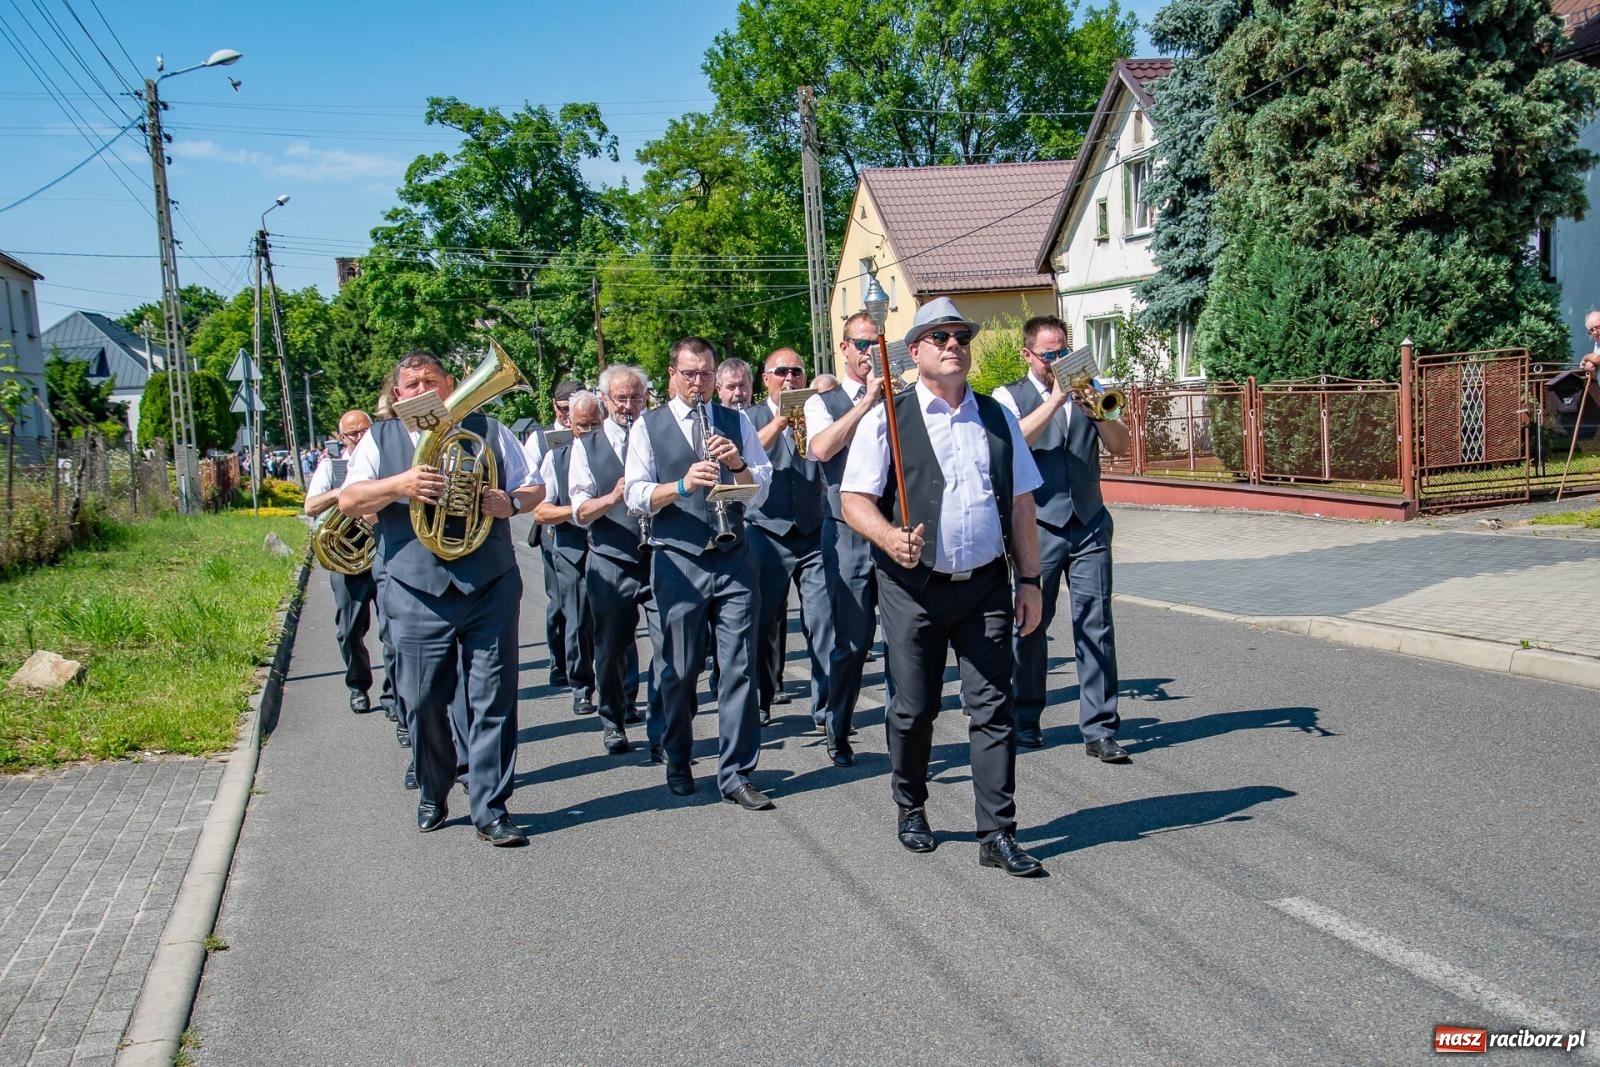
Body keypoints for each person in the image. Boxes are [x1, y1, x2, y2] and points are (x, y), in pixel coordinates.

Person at [840, 297, 1047, 877]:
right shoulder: (889, 416)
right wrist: (889, 537)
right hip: (913, 587)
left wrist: (1029, 580)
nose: (954, 345)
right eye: (940, 337)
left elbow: (1021, 504)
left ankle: (997, 832)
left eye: (961, 336)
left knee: (994, 708)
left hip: (985, 584)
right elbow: (854, 499)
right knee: (914, 708)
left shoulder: (997, 417)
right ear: (915, 351)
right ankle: (911, 804)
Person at [339, 351, 545, 846]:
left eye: (430, 381)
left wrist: (510, 502)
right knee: (422, 698)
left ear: (450, 383)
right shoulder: (381, 437)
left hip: (489, 582)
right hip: (416, 589)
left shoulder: (489, 429)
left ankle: (491, 808)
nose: (422, 391)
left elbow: (535, 487)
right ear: (397, 395)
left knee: (493, 697)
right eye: (411, 385)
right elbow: (349, 500)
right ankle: (434, 788)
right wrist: (401, 484)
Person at [625, 337, 774, 809]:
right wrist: (681, 484)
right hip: (678, 559)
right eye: (689, 374)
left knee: (739, 668)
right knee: (680, 668)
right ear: (672, 374)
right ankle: (677, 755)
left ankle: (736, 773)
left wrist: (737, 464)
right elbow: (635, 494)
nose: (698, 383)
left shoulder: (736, 420)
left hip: (733, 557)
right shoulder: (649, 425)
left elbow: (761, 489)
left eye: (706, 374)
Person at [995, 317, 1133, 759]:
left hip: (1089, 521)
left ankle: (1100, 728)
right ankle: (1026, 717)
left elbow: (1120, 446)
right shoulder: (1008, 396)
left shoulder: (1091, 389)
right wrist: (1057, 398)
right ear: (1028, 354)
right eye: (1049, 355)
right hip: (1038, 525)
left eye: (1063, 352)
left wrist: (1098, 412)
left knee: (1096, 623)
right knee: (1031, 623)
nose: (1057, 362)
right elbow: (1013, 442)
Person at [805, 311, 891, 752]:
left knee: (903, 641)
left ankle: (904, 737)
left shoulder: (899, 393)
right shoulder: (823, 401)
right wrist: (867, 401)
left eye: (876, 343)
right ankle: (838, 727)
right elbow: (821, 448)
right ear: (843, 348)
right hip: (846, 532)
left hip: (891, 527)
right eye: (861, 344)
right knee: (853, 642)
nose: (869, 352)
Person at [569, 365, 666, 756]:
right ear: (605, 400)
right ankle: (612, 719)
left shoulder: (657, 433)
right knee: (611, 648)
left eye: (636, 397)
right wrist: (612, 497)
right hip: (611, 559)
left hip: (658, 554)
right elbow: (580, 510)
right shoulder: (586, 446)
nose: (629, 406)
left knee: (669, 643)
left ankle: (662, 726)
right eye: (621, 398)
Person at [746, 347, 835, 751]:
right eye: (781, 372)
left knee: (823, 621)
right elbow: (745, 456)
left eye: (797, 372)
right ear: (765, 378)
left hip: (812, 532)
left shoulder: (816, 412)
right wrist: (781, 419)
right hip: (766, 532)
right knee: (763, 623)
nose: (789, 379)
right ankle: (762, 696)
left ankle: (827, 710)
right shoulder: (748, 418)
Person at [302, 410, 381, 715]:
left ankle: (393, 698)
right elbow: (310, 506)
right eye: (352, 434)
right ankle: (358, 686)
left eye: (364, 431)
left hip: (385, 554)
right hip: (347, 560)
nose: (359, 438)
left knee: (395, 631)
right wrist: (341, 493)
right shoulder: (331, 467)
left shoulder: (383, 460)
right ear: (341, 437)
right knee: (348, 631)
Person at [533, 391, 602, 718]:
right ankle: (581, 686)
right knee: (577, 621)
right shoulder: (556, 457)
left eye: (594, 425)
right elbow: (541, 511)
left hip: (612, 547)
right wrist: (578, 511)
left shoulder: (618, 453)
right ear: (570, 425)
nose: (587, 432)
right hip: (572, 548)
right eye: (581, 426)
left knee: (618, 623)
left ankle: (624, 693)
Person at [524, 380, 582, 689]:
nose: (567, 415)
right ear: (554, 406)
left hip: (586, 525)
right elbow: (528, 480)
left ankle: (581, 661)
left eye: (573, 408)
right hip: (553, 524)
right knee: (559, 600)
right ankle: (558, 659)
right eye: (562, 409)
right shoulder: (539, 439)